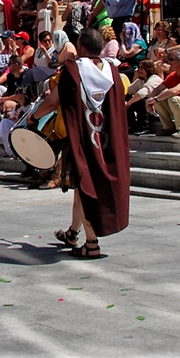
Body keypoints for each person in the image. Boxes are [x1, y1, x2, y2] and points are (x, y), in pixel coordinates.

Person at [26, 27, 130, 258]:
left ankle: (91, 244)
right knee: (80, 188)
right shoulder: (113, 72)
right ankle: (73, 233)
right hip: (106, 139)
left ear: (81, 48)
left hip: (83, 138)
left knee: (84, 184)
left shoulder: (73, 70)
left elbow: (53, 101)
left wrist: (33, 117)